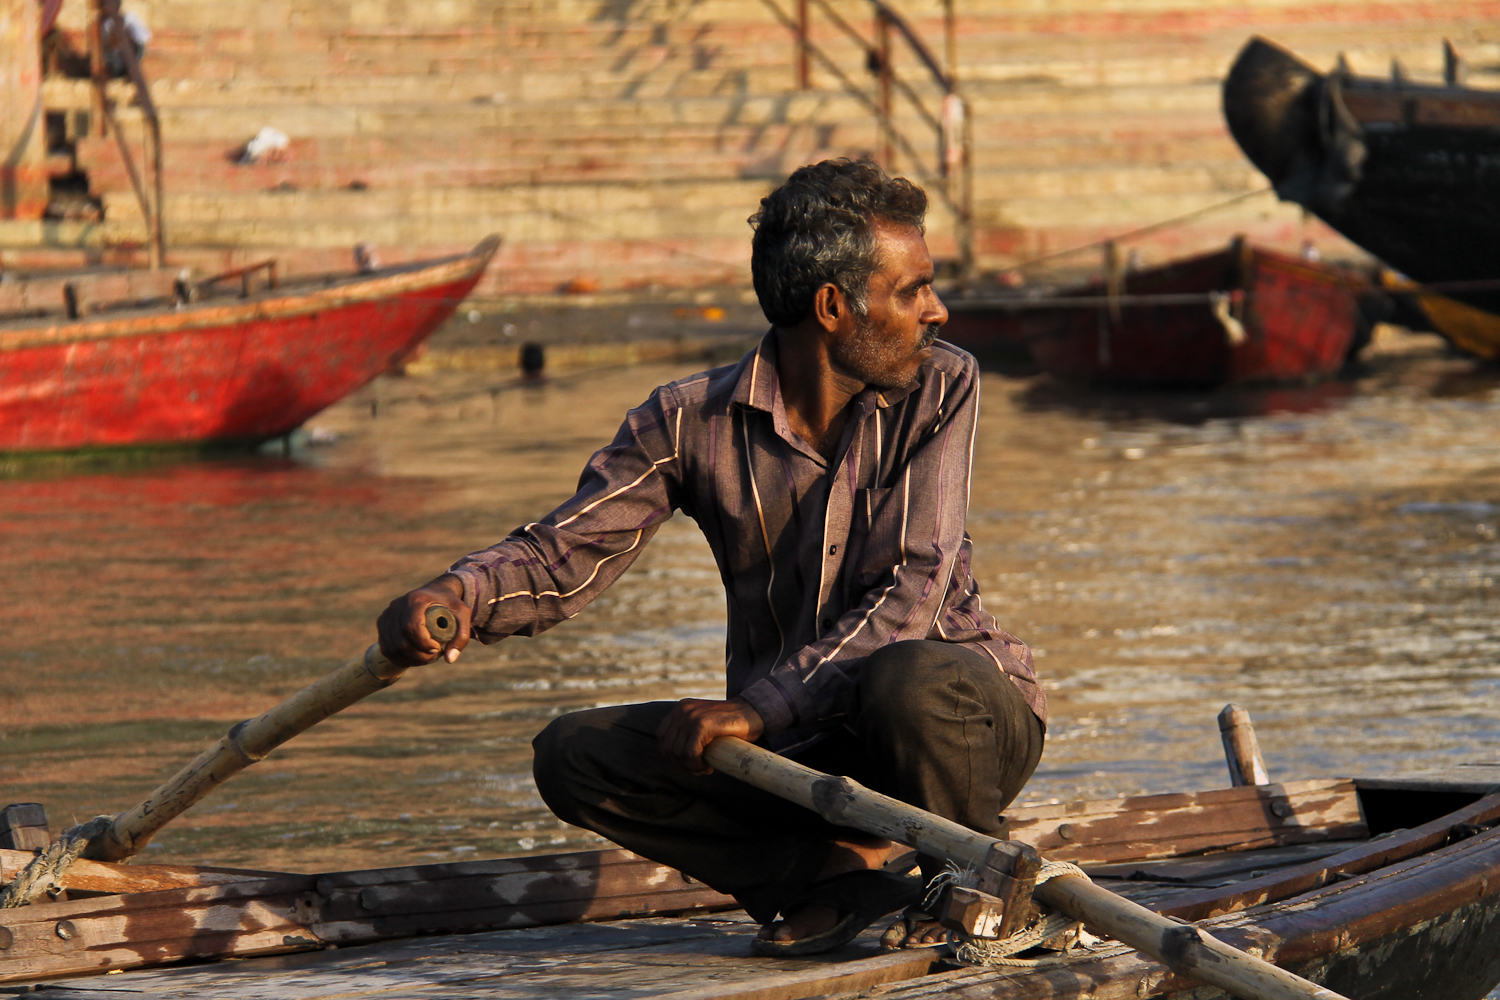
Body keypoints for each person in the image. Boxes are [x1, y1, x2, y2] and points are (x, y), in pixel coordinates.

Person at [377, 158, 1046, 956]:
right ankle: (832, 879)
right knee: (575, 756)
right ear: (833, 306)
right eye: (913, 290)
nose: (937, 310)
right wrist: (453, 596)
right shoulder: (686, 421)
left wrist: (760, 708)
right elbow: (565, 554)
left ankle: (972, 881)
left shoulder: (943, 385)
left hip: (948, 729)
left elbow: (912, 590)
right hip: (801, 754)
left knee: (907, 676)